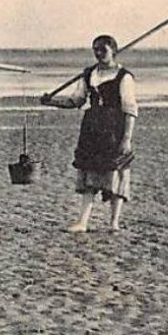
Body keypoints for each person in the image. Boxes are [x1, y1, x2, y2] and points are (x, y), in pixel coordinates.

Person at [39, 34, 137, 232]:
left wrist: (126, 139)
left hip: (114, 128)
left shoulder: (124, 77)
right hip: (92, 128)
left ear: (113, 51)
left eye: (103, 50)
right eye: (96, 50)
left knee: (115, 172)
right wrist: (52, 102)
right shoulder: (88, 74)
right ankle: (82, 222)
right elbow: (75, 101)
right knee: (89, 174)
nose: (99, 53)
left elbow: (130, 109)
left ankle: (113, 223)